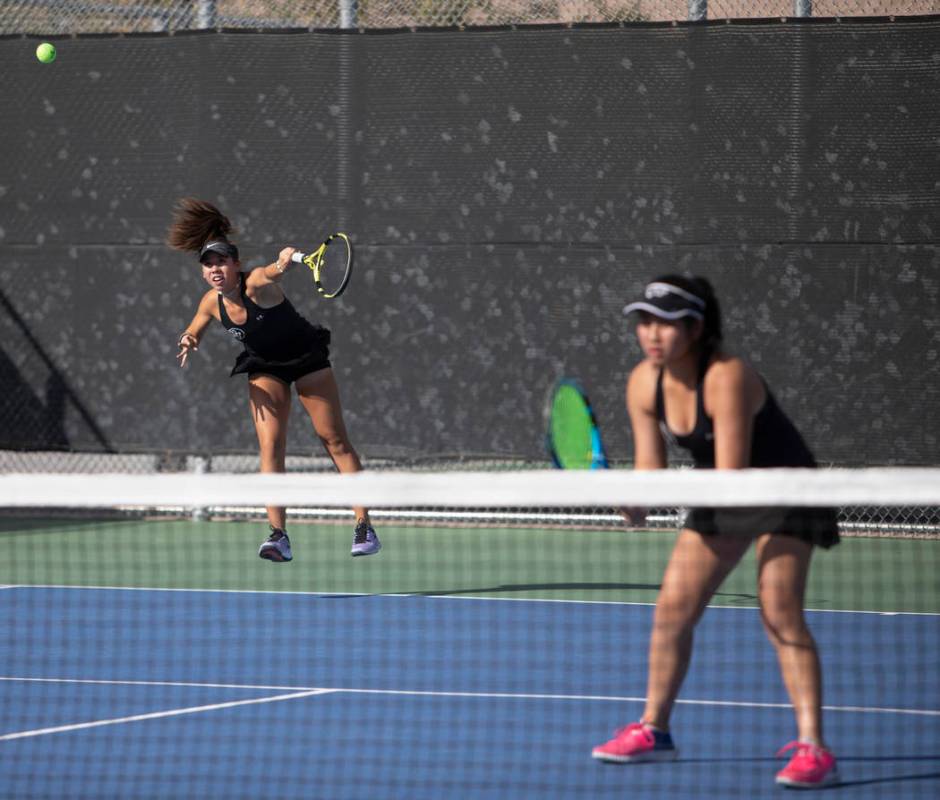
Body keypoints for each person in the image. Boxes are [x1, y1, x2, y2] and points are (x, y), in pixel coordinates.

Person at [591, 275, 839, 789]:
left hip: (784, 492)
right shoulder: (643, 382)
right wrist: (635, 501)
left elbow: (730, 475)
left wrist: (659, 495)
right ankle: (654, 731)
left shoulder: (727, 376)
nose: (652, 333)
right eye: (644, 321)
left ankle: (814, 748)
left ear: (697, 328)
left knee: (779, 611)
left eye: (666, 322)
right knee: (671, 610)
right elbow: (650, 471)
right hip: (726, 493)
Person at [167, 197, 380, 561]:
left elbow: (271, 271)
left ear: (236, 265)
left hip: (306, 357)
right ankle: (278, 535)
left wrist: (282, 262)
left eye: (222, 262)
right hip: (265, 366)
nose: (215, 269)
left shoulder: (257, 285)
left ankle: (364, 525)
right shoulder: (209, 302)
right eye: (208, 265)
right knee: (270, 446)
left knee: (333, 439)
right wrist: (189, 339)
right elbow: (195, 328)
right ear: (203, 272)